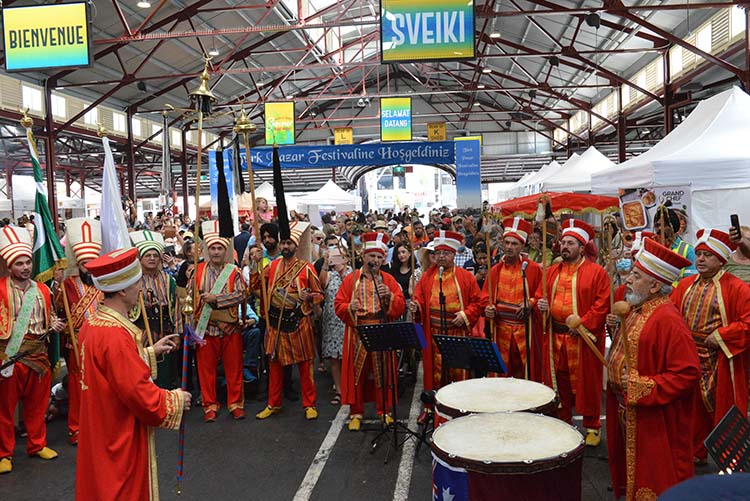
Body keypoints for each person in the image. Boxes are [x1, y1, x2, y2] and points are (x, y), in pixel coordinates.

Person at [76, 247, 190, 500]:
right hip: (118, 431)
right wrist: (175, 400)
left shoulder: (93, 322)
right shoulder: (116, 334)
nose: (141, 288)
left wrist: (148, 352)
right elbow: (137, 392)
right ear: (124, 289)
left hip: (101, 426)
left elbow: (109, 371)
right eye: (137, 282)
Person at [606, 237, 700, 499]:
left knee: (656, 479)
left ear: (655, 285)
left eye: (636, 276)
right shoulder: (639, 308)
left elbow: (688, 373)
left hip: (655, 419)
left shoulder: (668, 319)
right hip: (628, 411)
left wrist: (643, 386)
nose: (628, 280)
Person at [671, 228, 750, 463]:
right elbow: (670, 315)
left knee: (726, 407)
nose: (701, 259)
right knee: (692, 407)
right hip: (690, 356)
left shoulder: (738, 288)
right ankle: (697, 451)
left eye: (708, 255)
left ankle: (731, 457)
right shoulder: (685, 285)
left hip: (721, 357)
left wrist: (723, 335)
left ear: (721, 259)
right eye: (699, 254)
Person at [536, 219, 610, 447]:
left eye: (570, 243)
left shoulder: (597, 272)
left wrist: (583, 324)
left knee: (588, 384)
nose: (564, 246)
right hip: (556, 337)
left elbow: (602, 303)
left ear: (581, 247)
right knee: (560, 383)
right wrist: (540, 305)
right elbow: (541, 294)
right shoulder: (551, 271)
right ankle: (563, 423)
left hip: (582, 339)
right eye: (563, 242)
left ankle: (592, 426)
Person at [0, 226, 65, 474]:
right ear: (9, 266)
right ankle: (4, 453)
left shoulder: (44, 290)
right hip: (10, 357)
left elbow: (49, 319)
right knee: (5, 409)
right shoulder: (0, 289)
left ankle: (37, 445)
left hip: (39, 355)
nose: (25, 267)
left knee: (38, 405)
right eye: (19, 263)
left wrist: (55, 324)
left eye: (27, 262)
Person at [334, 232, 406, 430]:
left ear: (384, 259)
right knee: (357, 374)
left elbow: (400, 305)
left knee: (383, 374)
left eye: (379, 257)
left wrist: (390, 297)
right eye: (372, 256)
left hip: (381, 331)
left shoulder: (389, 280)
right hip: (358, 332)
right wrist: (350, 307)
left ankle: (385, 410)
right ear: (364, 256)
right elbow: (338, 303)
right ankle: (356, 412)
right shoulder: (351, 279)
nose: (375, 260)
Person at [254, 221, 324, 420]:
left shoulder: (307, 268)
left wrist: (309, 296)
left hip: (299, 322)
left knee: (305, 365)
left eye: (289, 243)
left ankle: (309, 404)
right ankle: (273, 403)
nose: (285, 246)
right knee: (274, 365)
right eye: (283, 243)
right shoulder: (273, 266)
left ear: (296, 246)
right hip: (275, 322)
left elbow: (320, 294)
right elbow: (257, 286)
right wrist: (254, 264)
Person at [410, 230, 487, 393]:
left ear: (453, 255)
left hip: (457, 332)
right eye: (438, 253)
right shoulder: (427, 277)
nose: (441, 257)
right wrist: (417, 307)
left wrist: (465, 315)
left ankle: (458, 409)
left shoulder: (466, 276)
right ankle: (433, 408)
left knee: (457, 374)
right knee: (435, 373)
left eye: (446, 253)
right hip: (433, 334)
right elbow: (419, 298)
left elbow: (478, 302)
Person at [189, 221, 247, 422]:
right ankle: (209, 405)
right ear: (206, 250)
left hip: (230, 327)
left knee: (234, 368)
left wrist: (218, 300)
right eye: (212, 248)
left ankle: (235, 403)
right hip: (205, 328)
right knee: (205, 371)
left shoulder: (234, 271)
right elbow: (190, 299)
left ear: (225, 251)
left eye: (219, 248)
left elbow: (241, 295)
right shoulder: (196, 271)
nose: (215, 252)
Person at [59, 218, 103, 446]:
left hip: (103, 340)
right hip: (77, 342)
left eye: (93, 262)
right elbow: (59, 310)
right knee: (78, 387)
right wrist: (57, 284)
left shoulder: (104, 281)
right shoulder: (67, 284)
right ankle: (76, 428)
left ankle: (100, 425)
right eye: (85, 263)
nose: (89, 267)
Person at [484, 217, 543, 379]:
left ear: (522, 246)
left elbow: (543, 294)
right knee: (502, 372)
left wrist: (530, 303)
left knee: (525, 373)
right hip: (501, 328)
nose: (509, 247)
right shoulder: (494, 270)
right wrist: (488, 308)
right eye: (507, 243)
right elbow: (485, 297)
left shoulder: (533, 269)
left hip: (525, 330)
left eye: (514, 244)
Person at [131, 230, 178, 388]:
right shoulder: (133, 282)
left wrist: (177, 334)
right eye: (148, 255)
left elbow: (176, 309)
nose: (152, 258)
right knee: (143, 378)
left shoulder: (169, 280)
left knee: (166, 377)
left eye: (155, 255)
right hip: (142, 335)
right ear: (140, 258)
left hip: (165, 333)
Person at [320, 246, 351, 406]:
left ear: (346, 258)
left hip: (348, 321)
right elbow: (321, 284)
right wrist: (325, 263)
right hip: (332, 321)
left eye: (339, 257)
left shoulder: (353, 274)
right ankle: (339, 390)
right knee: (334, 359)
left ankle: (350, 389)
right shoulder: (329, 275)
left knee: (348, 357)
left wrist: (342, 272)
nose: (336, 260)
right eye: (333, 257)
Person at [654, 205, 697, 282]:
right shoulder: (651, 248)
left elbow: (690, 281)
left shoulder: (688, 250)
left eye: (665, 225)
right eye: (657, 225)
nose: (660, 228)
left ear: (673, 226)